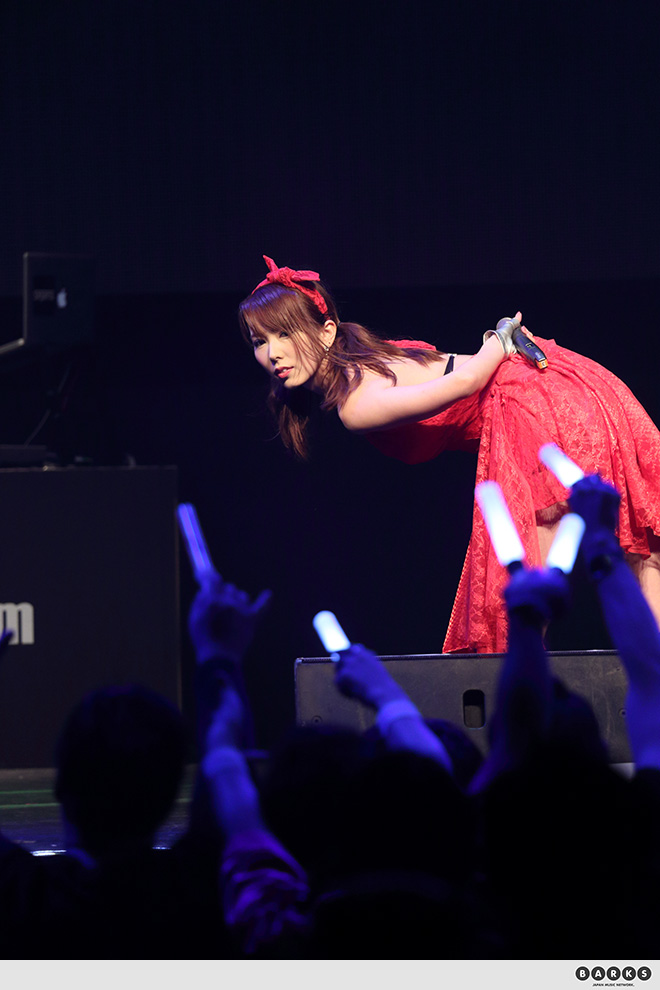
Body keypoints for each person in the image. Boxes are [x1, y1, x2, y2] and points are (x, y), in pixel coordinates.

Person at [239, 256, 660, 653]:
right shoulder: (368, 361)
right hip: (553, 383)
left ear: (327, 331)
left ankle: (527, 699)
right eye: (260, 341)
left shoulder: (356, 402)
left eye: (285, 333)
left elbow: (468, 381)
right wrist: (501, 341)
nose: (272, 353)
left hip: (530, 405)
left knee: (521, 598)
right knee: (637, 547)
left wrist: (501, 337)